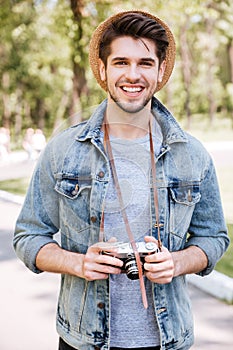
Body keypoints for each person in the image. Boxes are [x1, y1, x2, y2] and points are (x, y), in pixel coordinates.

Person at [13, 10, 229, 350]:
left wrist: (177, 262)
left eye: (145, 63)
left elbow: (214, 237)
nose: (133, 74)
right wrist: (79, 262)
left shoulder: (193, 155)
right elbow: (28, 236)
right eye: (121, 62)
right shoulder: (63, 150)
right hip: (82, 340)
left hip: (168, 340)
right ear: (103, 69)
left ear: (160, 71)